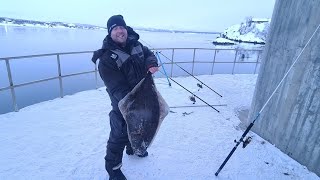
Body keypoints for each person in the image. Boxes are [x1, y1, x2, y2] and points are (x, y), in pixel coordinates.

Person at [91, 15, 159, 180]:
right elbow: (116, 87)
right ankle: (113, 170)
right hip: (124, 102)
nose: (119, 31)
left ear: (125, 28)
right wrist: (134, 101)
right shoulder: (106, 58)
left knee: (140, 125)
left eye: (121, 27)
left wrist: (151, 63)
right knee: (120, 132)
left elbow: (149, 54)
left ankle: (133, 148)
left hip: (143, 97)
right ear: (110, 33)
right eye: (115, 28)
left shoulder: (136, 44)